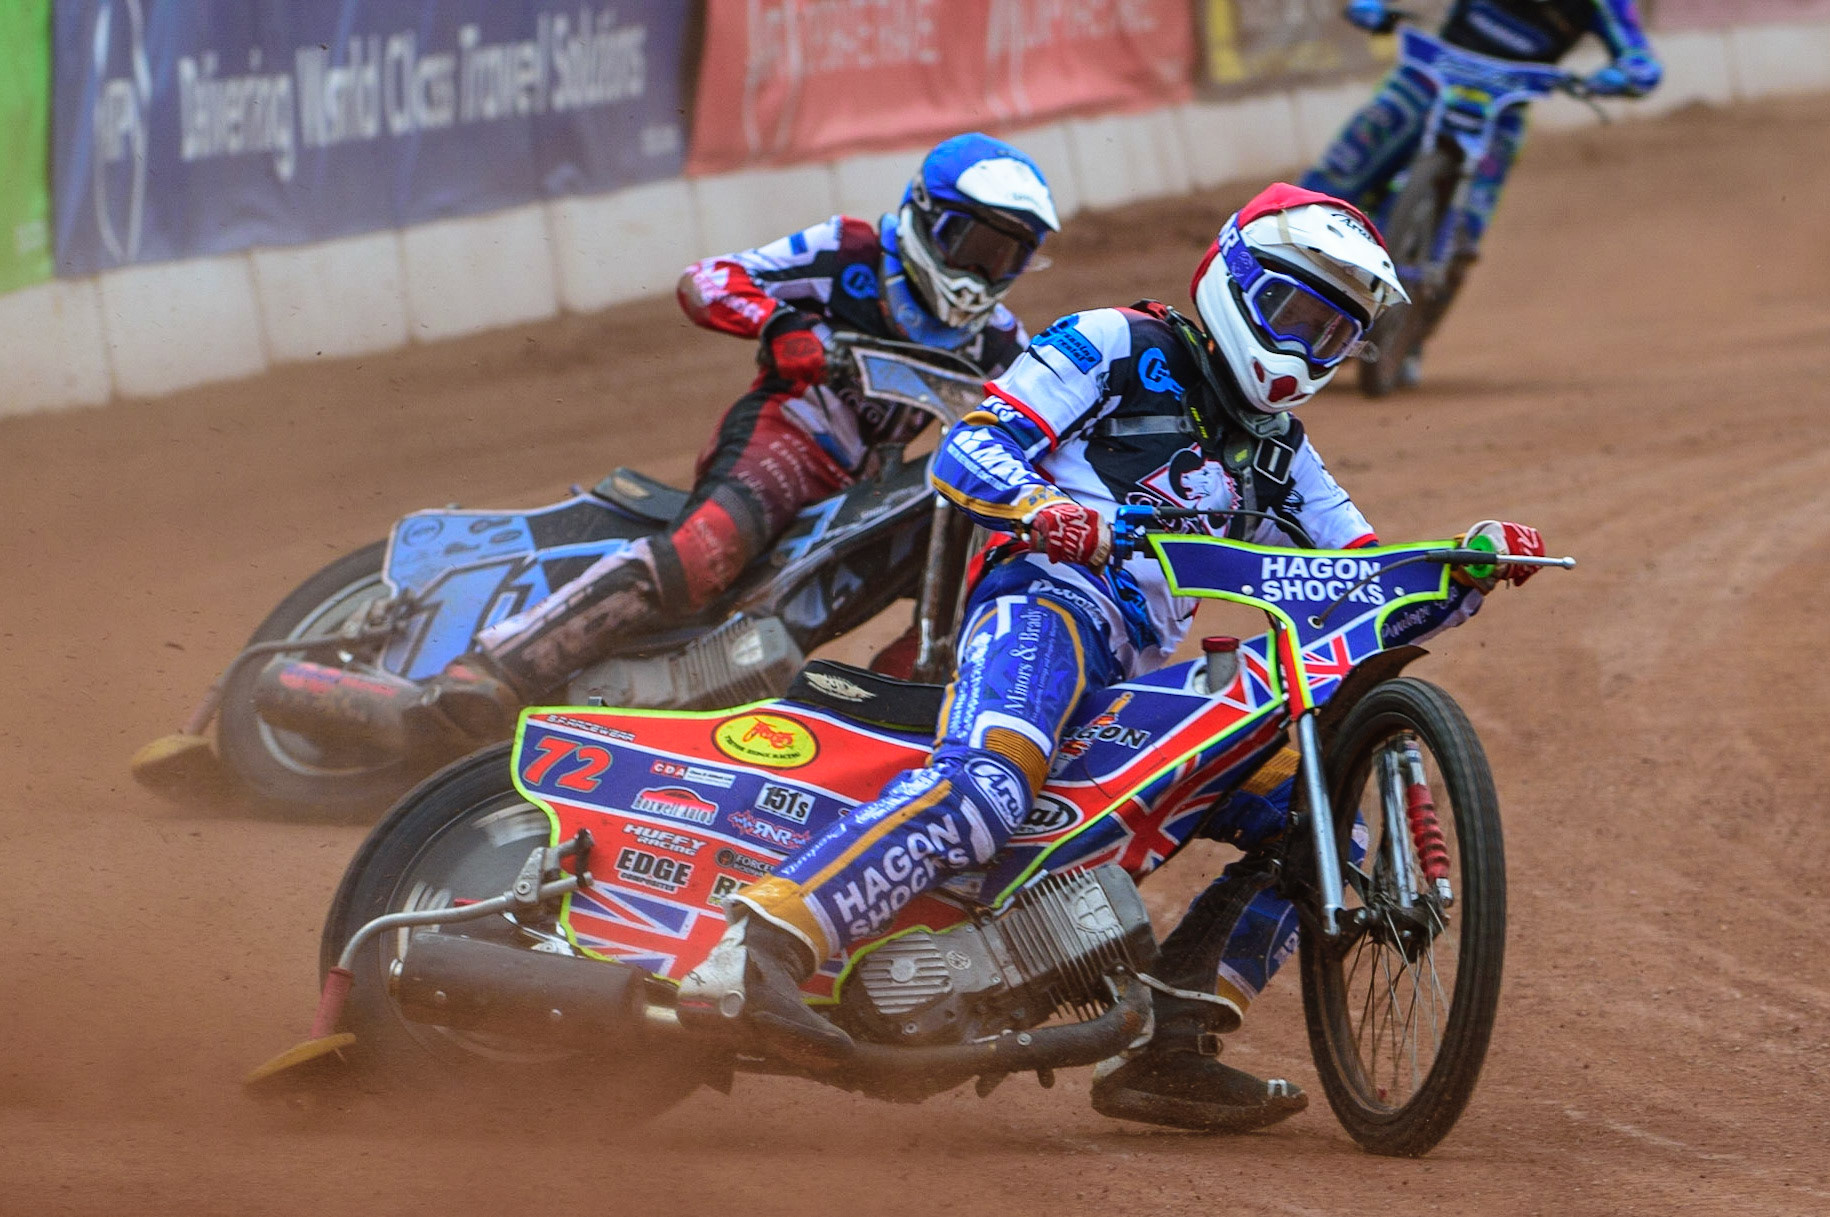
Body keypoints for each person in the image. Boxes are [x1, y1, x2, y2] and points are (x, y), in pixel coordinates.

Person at [679, 183, 1549, 1132]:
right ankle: (759, 946)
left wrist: (1462, 568)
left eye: (1331, 333)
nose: (1302, 349)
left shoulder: (1282, 453)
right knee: (988, 787)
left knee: (1324, 824)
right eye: (1290, 313)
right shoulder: (1113, 342)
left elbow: (1357, 580)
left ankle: (1169, 1046)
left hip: (1130, 669)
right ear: (1234, 281)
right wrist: (1043, 508)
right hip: (1042, 605)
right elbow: (969, 451)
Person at [266, 133, 1060, 749]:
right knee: (707, 555)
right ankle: (494, 671)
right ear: (925, 215)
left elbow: (1040, 413)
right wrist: (782, 323)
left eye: (1006, 255)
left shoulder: (998, 340)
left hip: (868, 488)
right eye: (972, 243)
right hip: (791, 433)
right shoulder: (852, 251)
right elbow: (709, 279)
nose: (983, 270)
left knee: (959, 584)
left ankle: (888, 742)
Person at [1302, 0, 1661, 383]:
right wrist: (1372, 8)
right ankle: (1254, 277)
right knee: (1335, 177)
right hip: (1427, 79)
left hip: (1501, 110)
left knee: (1464, 236)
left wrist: (1625, 75)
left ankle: (1408, 337)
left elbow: (1640, 59)